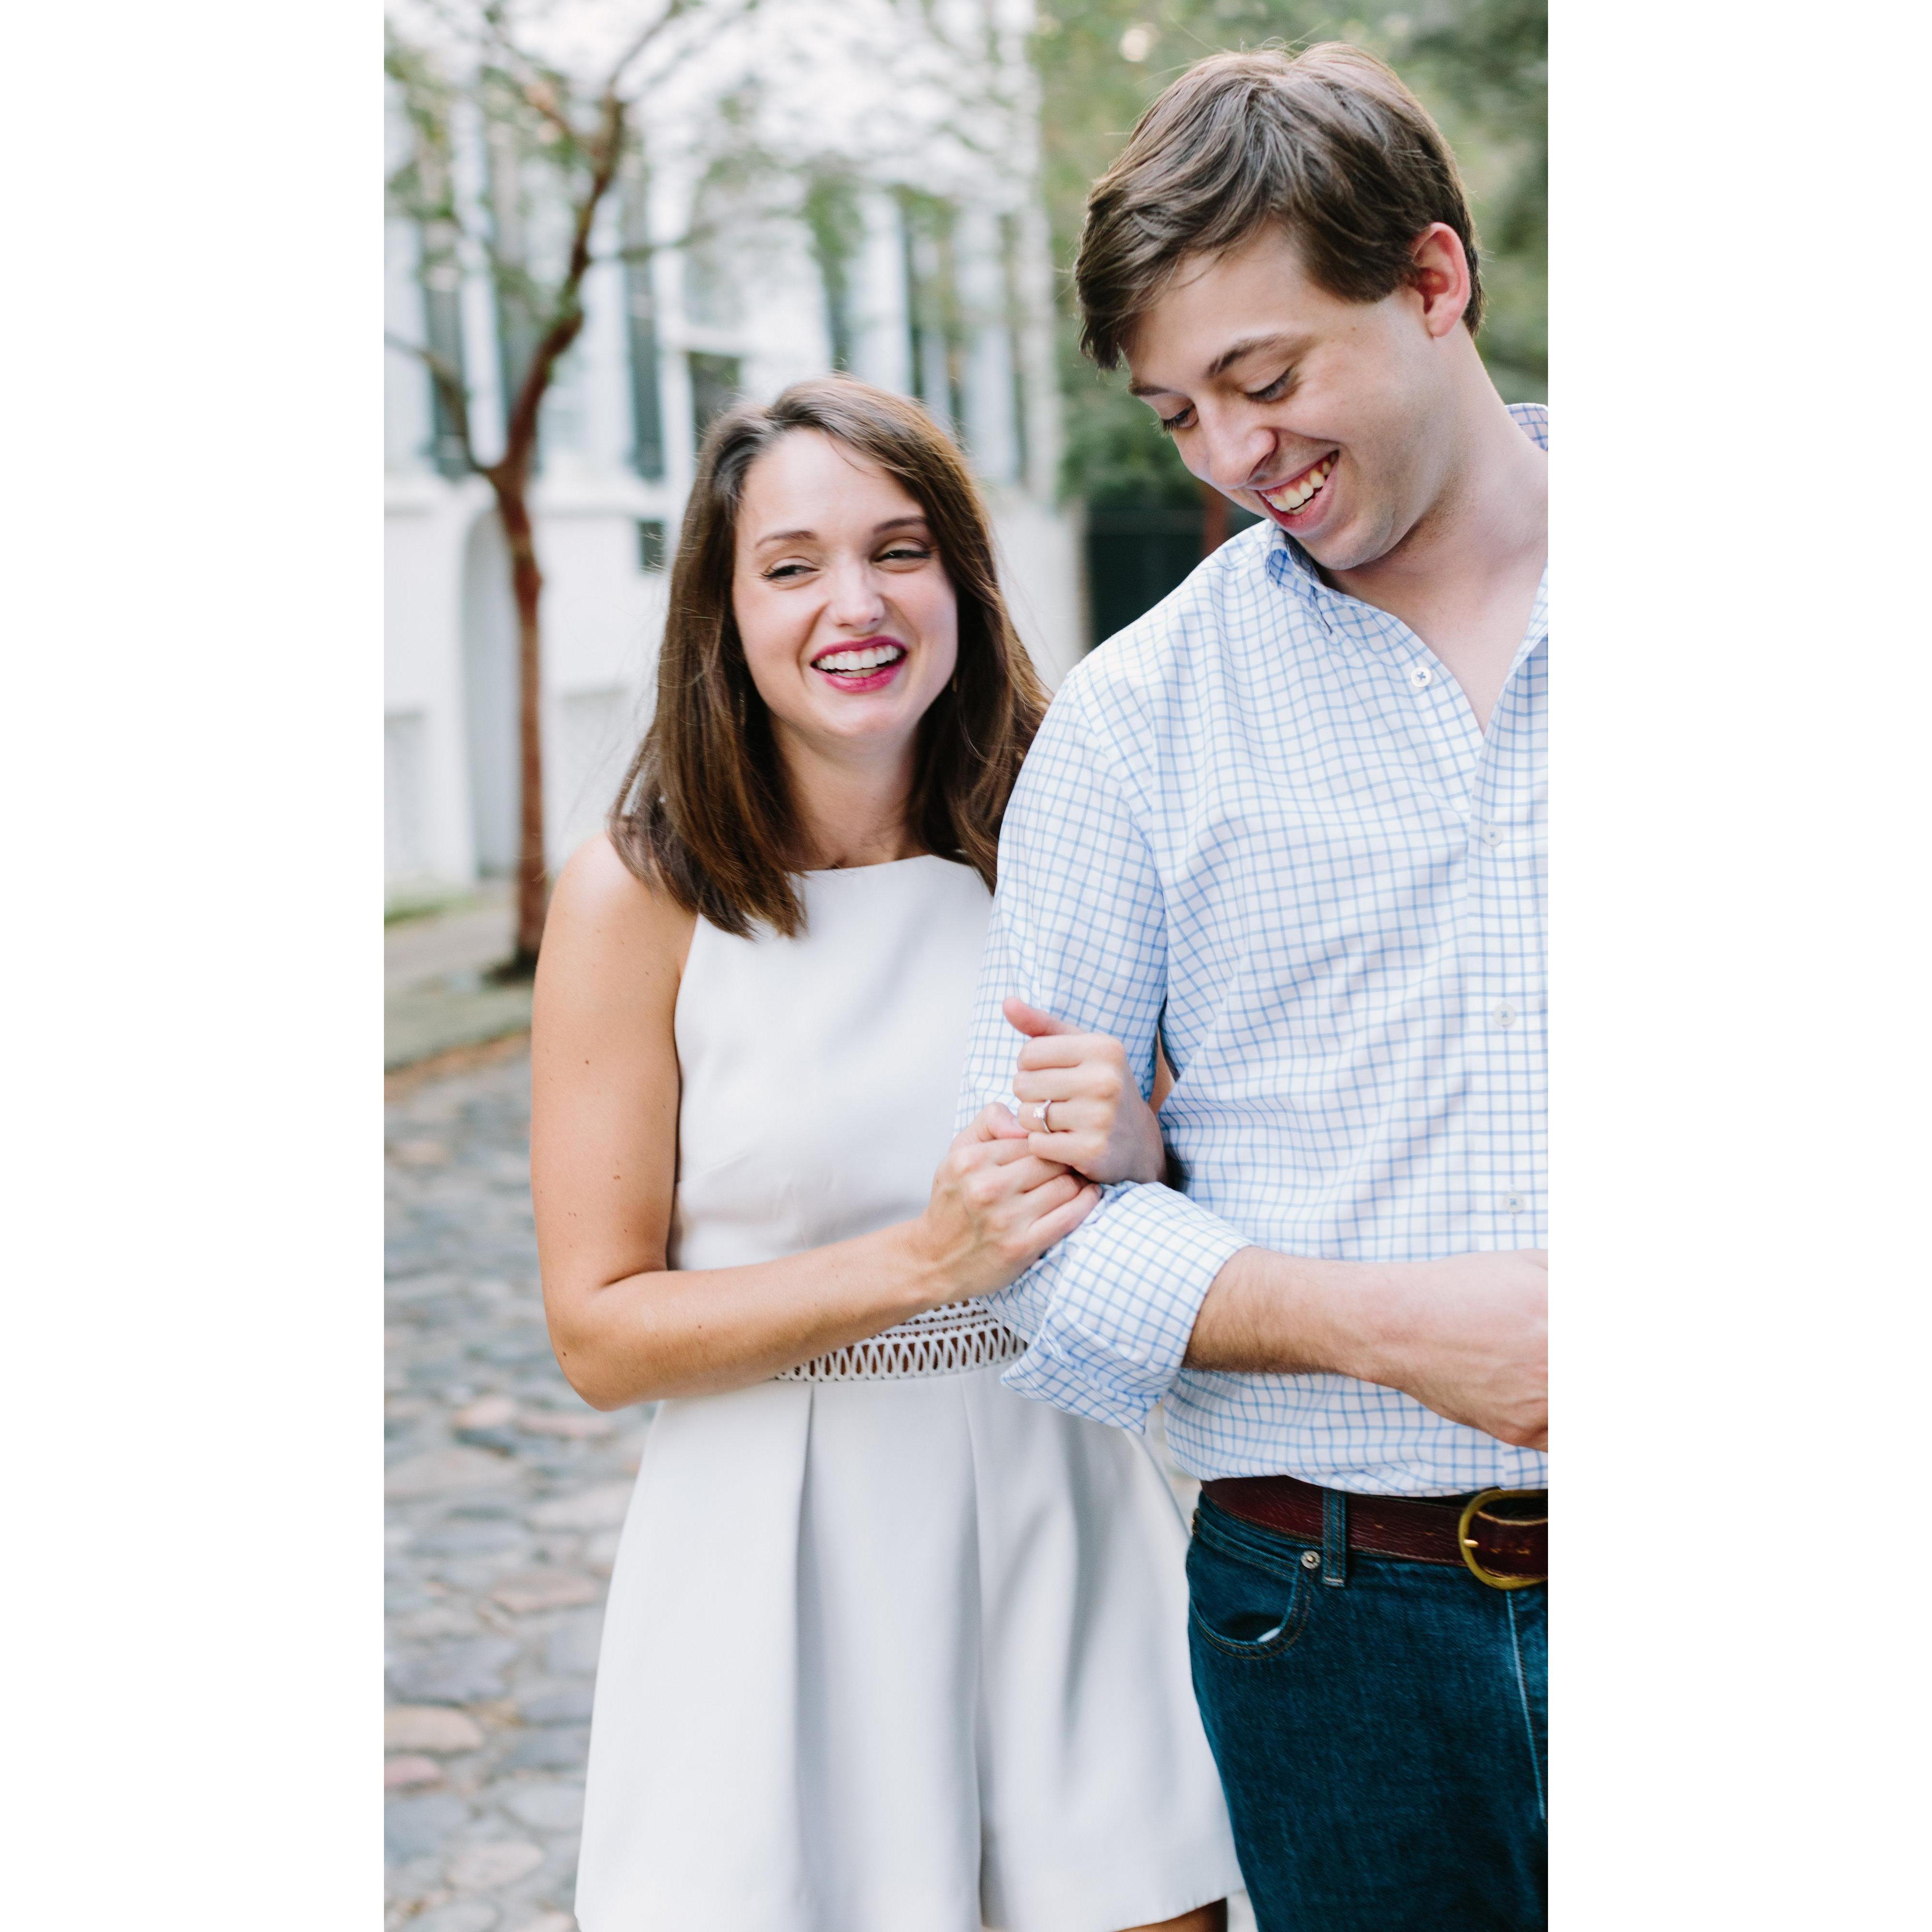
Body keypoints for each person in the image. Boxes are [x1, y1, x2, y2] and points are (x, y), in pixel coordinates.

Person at [956, 44, 1549, 1932]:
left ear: (1434, 278)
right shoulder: (1130, 723)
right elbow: (1029, 1240)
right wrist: (1388, 1328)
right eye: (1176, 413)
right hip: (1330, 1632)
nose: (1227, 454)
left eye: (1266, 379)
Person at [529, 375, 1240, 1932]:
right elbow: (599, 1332)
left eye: (898, 550)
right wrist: (925, 1262)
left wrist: (1142, 1155)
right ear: (724, 614)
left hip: (1062, 1508)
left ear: (962, 581)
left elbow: (1201, 1185)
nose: (853, 603)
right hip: (771, 1552)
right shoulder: (638, 896)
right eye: (792, 566)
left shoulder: (1071, 831)